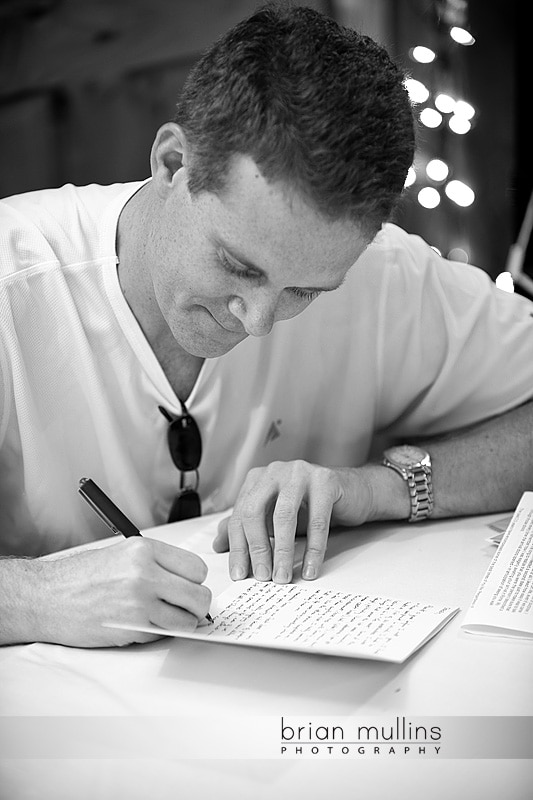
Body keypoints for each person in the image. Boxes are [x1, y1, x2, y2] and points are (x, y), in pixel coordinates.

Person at [1, 3, 532, 648]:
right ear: (172, 164)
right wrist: (32, 599)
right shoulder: (12, 287)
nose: (256, 323)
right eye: (236, 265)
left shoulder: (381, 275)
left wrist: (381, 487)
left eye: (305, 291)